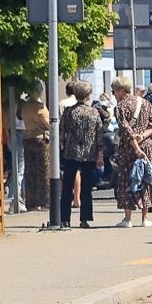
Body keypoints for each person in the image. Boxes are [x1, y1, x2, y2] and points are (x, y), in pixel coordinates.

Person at [111, 78, 152, 227]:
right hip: (148, 145)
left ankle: (128, 218)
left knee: (128, 179)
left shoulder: (120, 107)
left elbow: (126, 131)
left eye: (114, 91)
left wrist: (136, 148)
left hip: (129, 149)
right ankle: (145, 218)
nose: (113, 94)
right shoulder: (144, 102)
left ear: (120, 90)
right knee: (145, 178)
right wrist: (143, 136)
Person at [59, 81, 106, 228]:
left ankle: (64, 219)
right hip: (89, 154)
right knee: (87, 187)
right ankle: (84, 219)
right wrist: (100, 154)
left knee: (67, 187)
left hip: (71, 153)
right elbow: (99, 135)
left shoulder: (68, 112)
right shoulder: (94, 112)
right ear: (88, 95)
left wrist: (62, 147)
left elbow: (62, 132)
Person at [20, 87, 50, 210]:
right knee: (43, 171)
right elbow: (48, 124)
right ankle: (44, 201)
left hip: (27, 137)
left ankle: (31, 202)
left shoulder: (24, 106)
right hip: (40, 138)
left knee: (30, 171)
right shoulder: (39, 107)